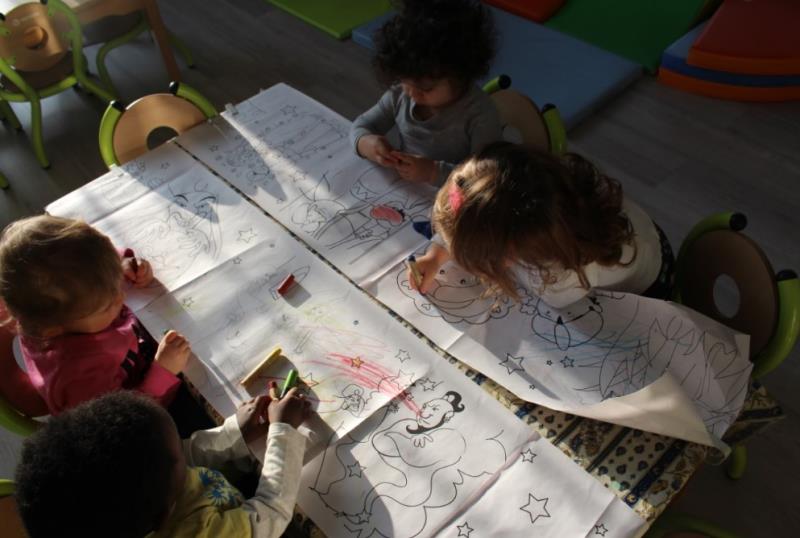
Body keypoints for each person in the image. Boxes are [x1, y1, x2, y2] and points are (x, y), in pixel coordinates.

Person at [14, 387, 313, 538]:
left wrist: (235, 431)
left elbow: (181, 457)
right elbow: (273, 510)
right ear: (163, 515)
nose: (185, 452)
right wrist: (282, 431)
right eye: (179, 460)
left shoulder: (141, 494)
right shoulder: (196, 533)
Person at [409, 142, 674, 308]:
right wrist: (436, 255)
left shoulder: (559, 278)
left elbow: (559, 306)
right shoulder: (538, 189)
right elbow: (473, 220)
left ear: (511, 254)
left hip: (647, 287)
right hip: (635, 232)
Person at [0, 215, 190, 414]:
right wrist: (163, 372)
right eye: (107, 306)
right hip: (142, 409)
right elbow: (125, 419)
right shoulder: (80, 376)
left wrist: (121, 265)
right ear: (55, 329)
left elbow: (86, 258)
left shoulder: (53, 304)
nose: (121, 297)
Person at [351, 0, 502, 186]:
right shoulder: (400, 95)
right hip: (406, 191)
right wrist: (367, 144)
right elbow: (360, 125)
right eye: (405, 82)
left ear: (461, 75)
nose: (412, 93)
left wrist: (433, 172)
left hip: (455, 201)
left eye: (426, 89)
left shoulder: (480, 114)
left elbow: (485, 176)